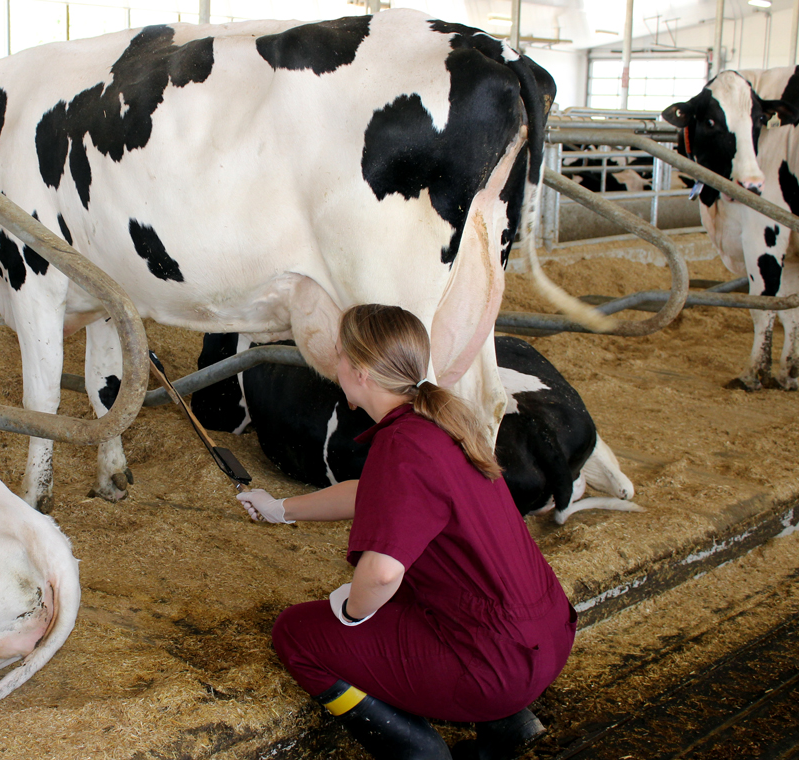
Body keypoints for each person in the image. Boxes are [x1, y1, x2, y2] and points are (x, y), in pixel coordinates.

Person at [236, 304, 577, 760]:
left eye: (339, 356)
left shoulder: (401, 446)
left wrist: (352, 613)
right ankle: (508, 726)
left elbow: (381, 574)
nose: (333, 366)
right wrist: (280, 508)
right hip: (547, 637)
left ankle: (417, 751)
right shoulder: (438, 422)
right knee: (427, 593)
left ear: (359, 372)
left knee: (297, 634)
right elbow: (369, 492)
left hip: (496, 667)